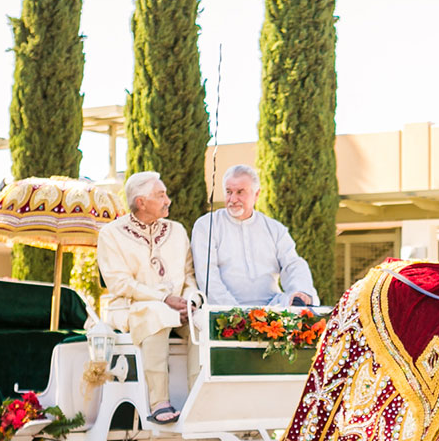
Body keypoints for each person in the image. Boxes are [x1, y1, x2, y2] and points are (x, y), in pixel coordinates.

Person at [98, 170, 198, 425]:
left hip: (180, 309)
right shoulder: (111, 234)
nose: (168, 200)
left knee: (205, 322)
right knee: (158, 314)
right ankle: (159, 402)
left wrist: (190, 302)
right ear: (141, 202)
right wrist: (164, 300)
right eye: (161, 195)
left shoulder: (177, 231)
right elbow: (120, 283)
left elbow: (189, 276)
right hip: (132, 308)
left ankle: (201, 399)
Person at [192, 165, 318, 308]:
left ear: (256, 194)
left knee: (297, 300)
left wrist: (301, 291)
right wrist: (236, 315)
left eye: (240, 192)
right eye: (229, 192)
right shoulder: (207, 225)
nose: (233, 199)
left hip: (271, 307)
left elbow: (292, 264)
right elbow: (207, 277)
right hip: (223, 311)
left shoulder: (274, 228)